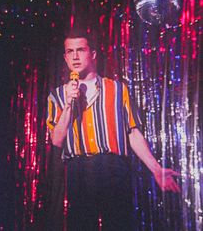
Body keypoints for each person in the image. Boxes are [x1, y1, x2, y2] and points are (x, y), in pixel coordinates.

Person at [46, 29, 180, 231]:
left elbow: (132, 133)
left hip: (113, 168)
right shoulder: (56, 96)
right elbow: (56, 140)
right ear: (65, 57)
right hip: (78, 170)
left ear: (92, 54)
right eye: (70, 51)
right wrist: (68, 105)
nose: (75, 56)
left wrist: (155, 169)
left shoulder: (118, 89)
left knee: (119, 224)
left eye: (80, 50)